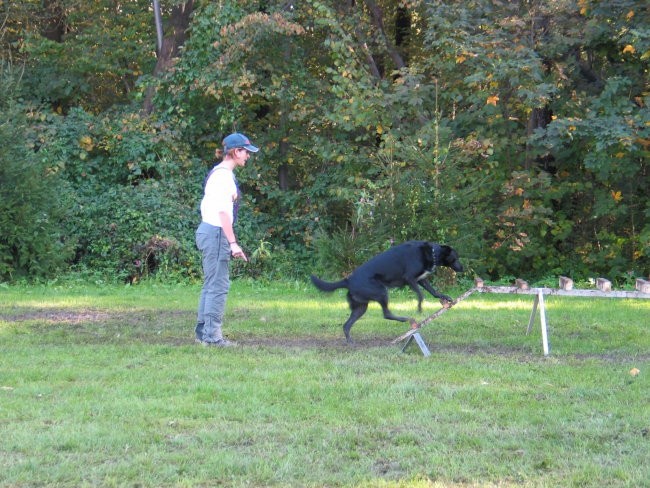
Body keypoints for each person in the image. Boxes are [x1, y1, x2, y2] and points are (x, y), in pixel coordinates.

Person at [195, 132, 259, 346]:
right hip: (216, 233)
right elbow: (223, 213)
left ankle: (203, 333)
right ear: (235, 152)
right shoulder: (223, 176)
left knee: (211, 283)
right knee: (218, 286)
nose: (248, 156)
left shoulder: (218, 173)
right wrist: (232, 243)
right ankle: (212, 337)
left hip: (209, 230)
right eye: (246, 152)